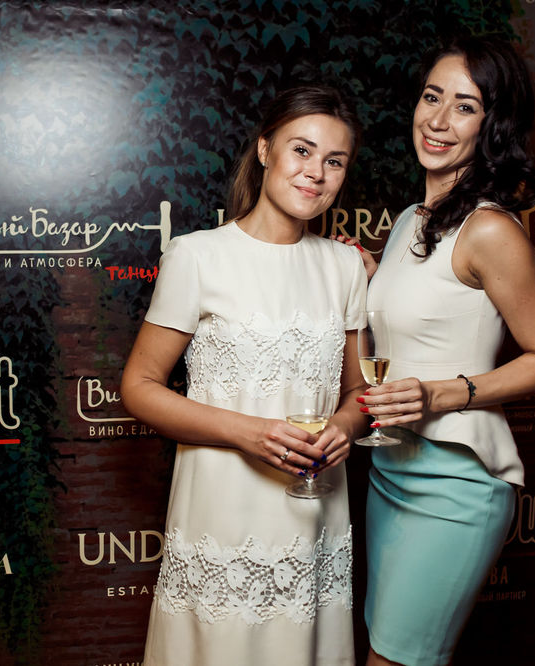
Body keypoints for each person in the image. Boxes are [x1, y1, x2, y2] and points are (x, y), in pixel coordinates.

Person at [120, 85, 369, 666]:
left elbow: (360, 392)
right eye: (301, 150)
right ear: (264, 150)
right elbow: (139, 386)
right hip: (222, 512)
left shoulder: (345, 266)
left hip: (312, 517)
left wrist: (344, 427)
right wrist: (248, 433)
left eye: (334, 161)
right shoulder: (197, 256)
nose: (316, 173)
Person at [349, 37, 535, 666]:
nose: (439, 119)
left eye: (466, 106)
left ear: (492, 125)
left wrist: (443, 393)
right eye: (432, 97)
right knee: (380, 651)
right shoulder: (408, 220)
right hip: (391, 470)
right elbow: (428, 318)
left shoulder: (490, 229)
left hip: (456, 482)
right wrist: (368, 279)